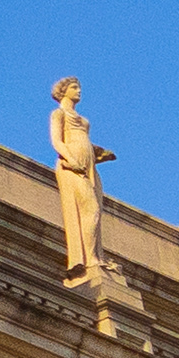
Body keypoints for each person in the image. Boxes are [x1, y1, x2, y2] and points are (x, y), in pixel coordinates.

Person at [50, 78, 114, 288]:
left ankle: (96, 256)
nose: (79, 91)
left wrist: (97, 153)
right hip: (71, 168)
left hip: (90, 169)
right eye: (74, 88)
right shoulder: (59, 114)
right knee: (91, 211)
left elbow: (84, 142)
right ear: (63, 91)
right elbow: (57, 141)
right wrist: (71, 159)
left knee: (96, 210)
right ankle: (89, 260)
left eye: (79, 87)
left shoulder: (83, 119)